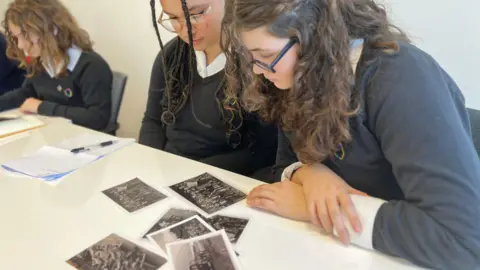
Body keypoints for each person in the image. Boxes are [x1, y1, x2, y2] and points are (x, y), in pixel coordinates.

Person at [221, 0, 480, 269]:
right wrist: (310, 174)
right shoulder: (303, 75)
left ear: (314, 37)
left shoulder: (401, 77)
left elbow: (463, 241)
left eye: (264, 57)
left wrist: (317, 210)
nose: (256, 71)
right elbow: (285, 163)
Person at [139, 0, 277, 180]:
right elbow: (153, 121)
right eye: (173, 18)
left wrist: (192, 175)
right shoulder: (171, 56)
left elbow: (264, 151)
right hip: (169, 173)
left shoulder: (257, 64)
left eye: (196, 14)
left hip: (227, 180)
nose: (185, 29)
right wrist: (149, 166)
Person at [0, 0, 112, 131]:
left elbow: (97, 118)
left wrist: (41, 107)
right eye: (16, 37)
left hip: (86, 141)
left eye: (24, 36)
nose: (20, 45)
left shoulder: (92, 66)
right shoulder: (40, 62)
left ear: (52, 29)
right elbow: (28, 92)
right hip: (54, 134)